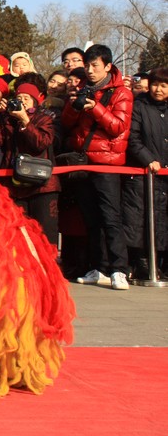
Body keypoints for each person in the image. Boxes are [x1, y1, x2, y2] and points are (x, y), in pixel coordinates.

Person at [62, 44, 133, 290]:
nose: (90, 71)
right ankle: (99, 267)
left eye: (95, 66)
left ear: (108, 67)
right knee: (90, 218)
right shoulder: (82, 89)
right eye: (87, 66)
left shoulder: (121, 93)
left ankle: (120, 270)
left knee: (110, 217)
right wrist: (74, 105)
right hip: (84, 161)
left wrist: (96, 108)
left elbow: (117, 127)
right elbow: (67, 123)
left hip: (108, 163)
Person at [0, 81, 60, 245]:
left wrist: (26, 121)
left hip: (42, 186)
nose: (23, 101)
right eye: (19, 97)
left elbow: (41, 143)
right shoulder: (7, 118)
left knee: (45, 234)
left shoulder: (44, 118)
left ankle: (49, 269)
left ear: (35, 101)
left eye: (27, 98)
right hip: (15, 185)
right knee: (18, 234)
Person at [123, 67, 168, 279]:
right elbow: (133, 138)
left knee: (162, 219)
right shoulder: (139, 105)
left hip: (165, 176)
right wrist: (148, 158)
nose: (158, 89)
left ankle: (160, 264)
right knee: (140, 219)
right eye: (156, 84)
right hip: (144, 173)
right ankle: (141, 263)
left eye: (164, 86)